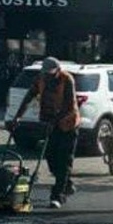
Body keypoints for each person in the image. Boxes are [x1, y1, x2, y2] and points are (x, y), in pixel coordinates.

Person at [10, 56, 81, 208]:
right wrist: (18, 116)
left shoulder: (67, 80)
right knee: (50, 158)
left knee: (64, 160)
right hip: (49, 123)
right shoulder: (40, 79)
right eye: (46, 73)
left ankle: (57, 196)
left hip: (67, 124)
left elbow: (69, 106)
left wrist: (55, 123)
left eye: (51, 73)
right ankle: (66, 183)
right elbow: (29, 96)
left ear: (57, 71)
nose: (48, 76)